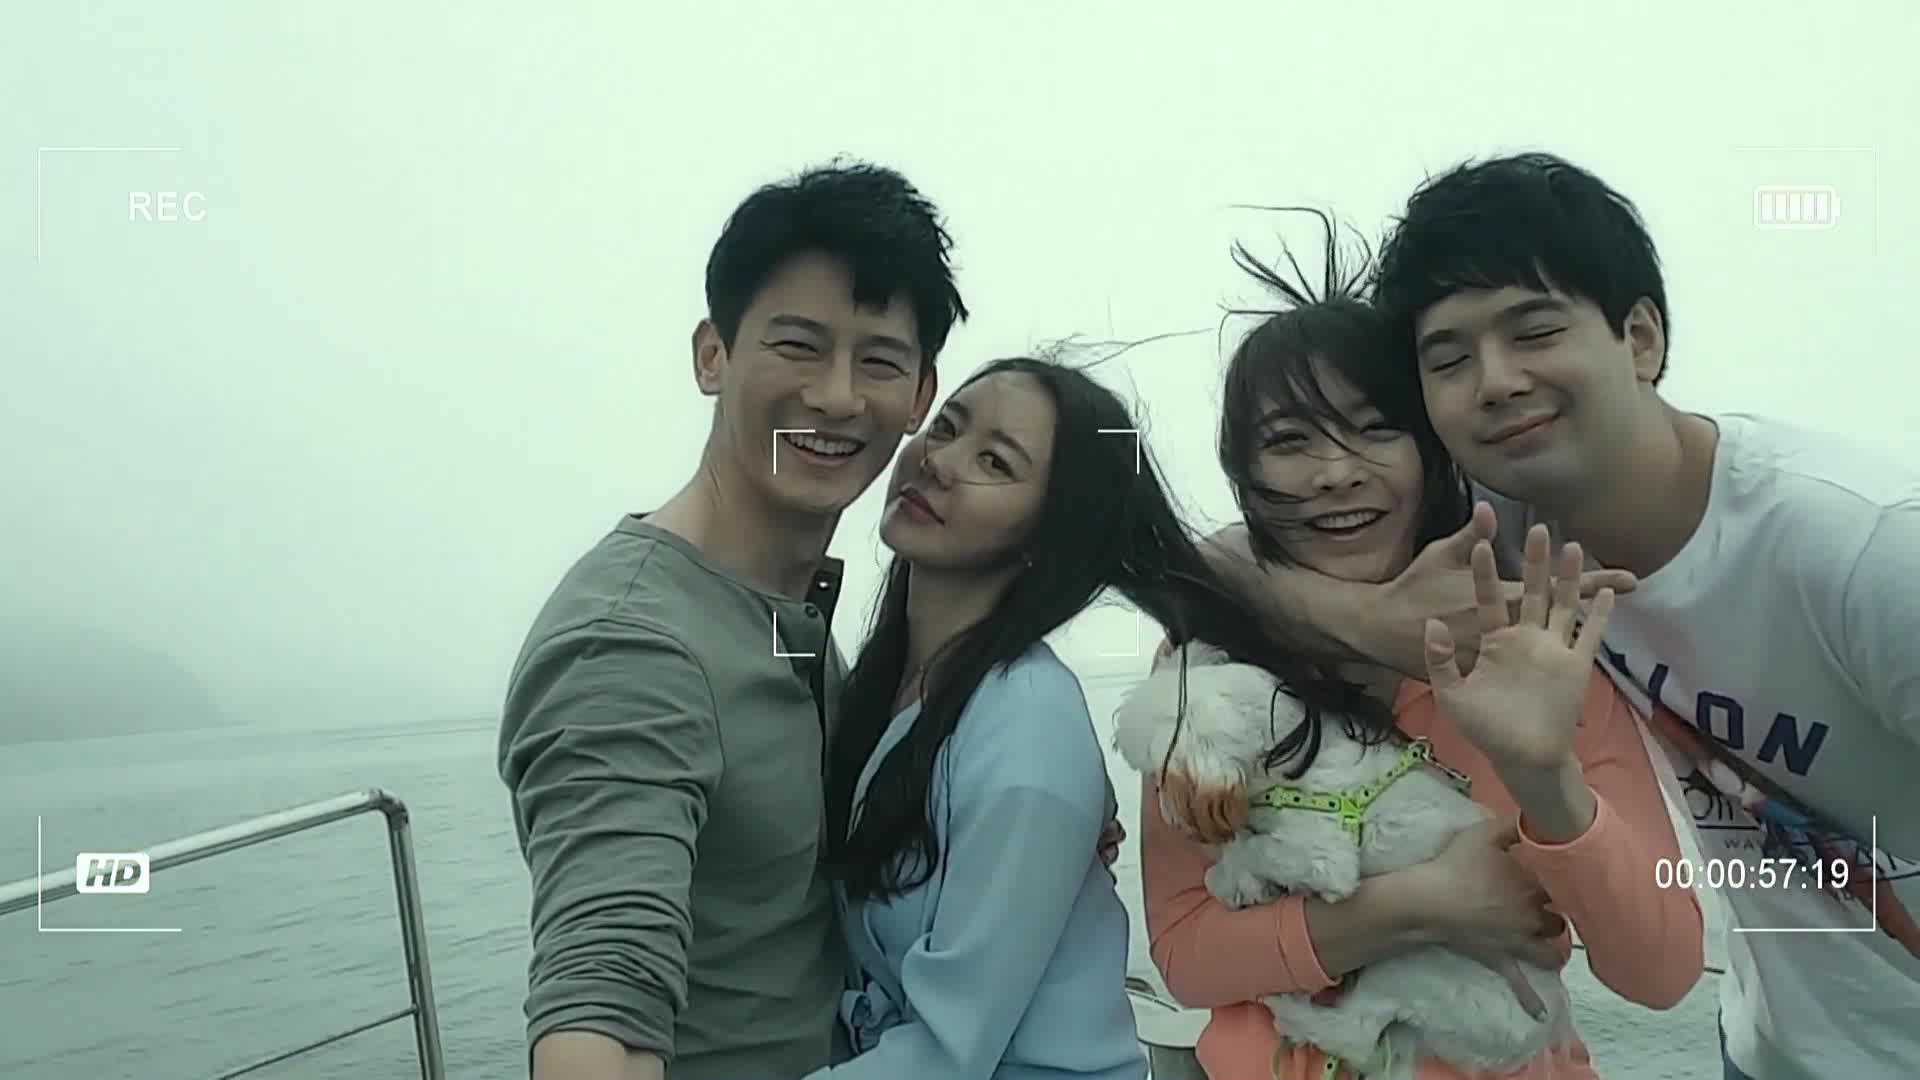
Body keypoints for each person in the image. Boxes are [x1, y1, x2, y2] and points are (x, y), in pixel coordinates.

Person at [1219, 155, 1920, 1080]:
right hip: (1768, 1047)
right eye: (1449, 359)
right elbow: (1214, 557)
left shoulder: (1865, 554)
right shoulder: (1496, 526)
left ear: (1641, 338)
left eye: (1535, 331)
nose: (1496, 381)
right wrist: (1370, 616)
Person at [1139, 219, 1703, 1078]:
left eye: (1375, 429)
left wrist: (1546, 782)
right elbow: (1185, 954)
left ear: (1433, 453)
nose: (1336, 472)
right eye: (1289, 441)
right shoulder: (1205, 671)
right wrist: (1421, 906)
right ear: (1242, 474)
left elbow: (1663, 972)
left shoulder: (1536, 646)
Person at [496, 161, 968, 1080]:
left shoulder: (779, 607)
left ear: (920, 395)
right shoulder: (630, 645)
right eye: (798, 346)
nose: (837, 397)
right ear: (712, 355)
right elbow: (603, 987)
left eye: (878, 360)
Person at [812, 354, 1379, 1079]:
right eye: (946, 428)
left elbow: (948, 1053)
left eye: (994, 461)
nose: (940, 462)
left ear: (1048, 535)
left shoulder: (1025, 727)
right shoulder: (881, 688)